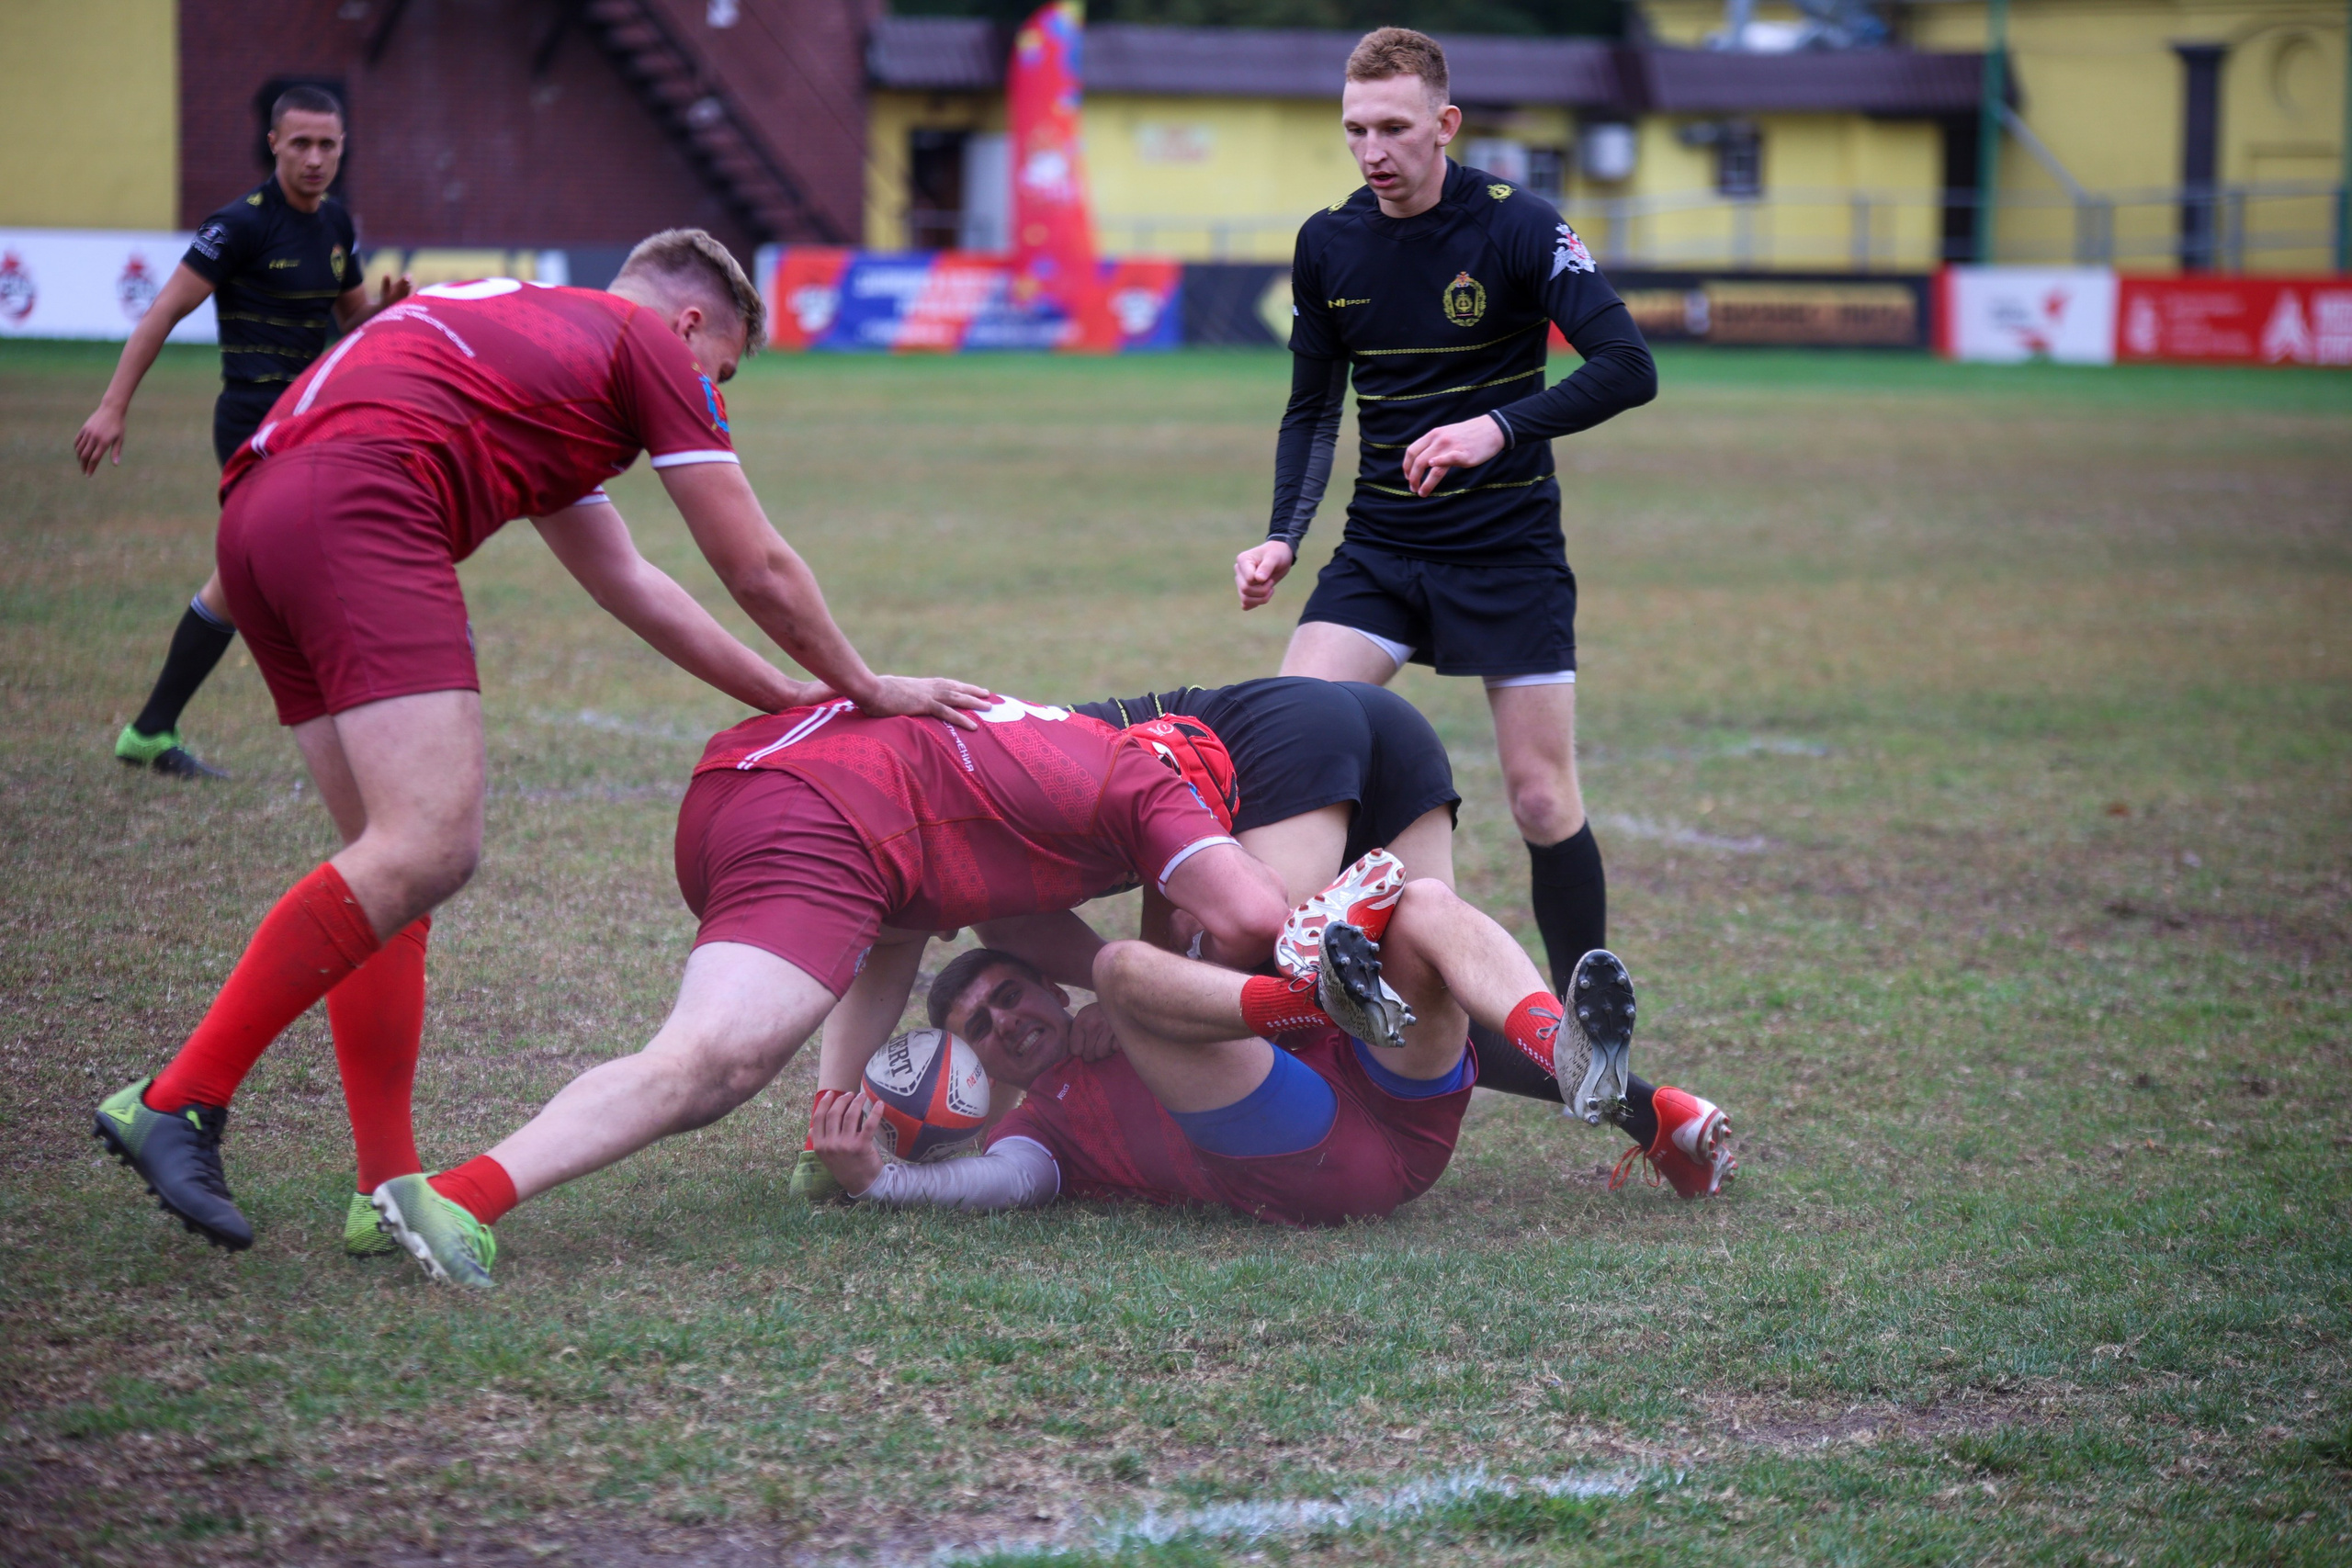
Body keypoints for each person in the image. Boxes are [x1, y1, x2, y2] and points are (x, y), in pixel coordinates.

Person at [92, 229, 990, 1261]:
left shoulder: (534, 337)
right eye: (722, 372)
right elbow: (756, 567)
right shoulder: (643, 344)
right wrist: (867, 685)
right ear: (690, 323)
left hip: (259, 521)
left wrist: (786, 692)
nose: (713, 393)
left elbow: (629, 579)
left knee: (389, 877)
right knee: (431, 846)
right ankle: (180, 1099)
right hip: (365, 506)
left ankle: (387, 1186)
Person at [365, 694, 1298, 1287]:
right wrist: (1160, 977)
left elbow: (948, 926)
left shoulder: (1058, 748)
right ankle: (460, 1197)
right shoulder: (1147, 781)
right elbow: (1252, 915)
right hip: (823, 820)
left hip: (745, 779)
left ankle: (824, 1133)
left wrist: (838, 1102)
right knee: (711, 1066)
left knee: (900, 912)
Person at [1228, 28, 1657, 1006]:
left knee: (1541, 798)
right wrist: (1284, 535)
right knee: (1294, 747)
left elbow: (1628, 367)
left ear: (1443, 125)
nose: (1371, 150)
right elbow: (1310, 410)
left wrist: (1497, 427)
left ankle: (1579, 1036)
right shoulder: (1327, 242)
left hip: (1507, 550)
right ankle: (1317, 991)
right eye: (1354, 130)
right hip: (1382, 549)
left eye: (1391, 127)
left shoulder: (1516, 224)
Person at [809, 887, 1733, 1223]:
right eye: (978, 1026)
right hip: (1314, 1167)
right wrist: (878, 1183)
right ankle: (1307, 992)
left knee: (1424, 908)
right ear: (984, 1070)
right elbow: (996, 1188)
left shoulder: (1133, 1005)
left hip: (1395, 1103)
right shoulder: (1040, 1130)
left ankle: (1571, 1056)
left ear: (1050, 993)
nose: (1002, 1021)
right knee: (1128, 966)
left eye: (1008, 994)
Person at [1024, 678, 1682, 1136]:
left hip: (1284, 743)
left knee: (1252, 968)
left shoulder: (982, 805)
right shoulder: (995, 768)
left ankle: (1337, 923)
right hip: (1371, 721)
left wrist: (1130, 997)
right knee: (1426, 988)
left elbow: (1160, 853)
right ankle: (1640, 1100)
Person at [75, 85, 413, 779]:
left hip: (305, 422)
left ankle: (149, 731)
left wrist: (383, 311)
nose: (315, 158)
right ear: (274, 144)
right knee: (306, 563)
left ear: (342, 148)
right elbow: (160, 314)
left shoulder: (338, 225)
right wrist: (112, 405)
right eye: (301, 144)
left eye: (328, 145)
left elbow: (352, 326)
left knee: (244, 577)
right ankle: (360, 725)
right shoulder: (239, 225)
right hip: (249, 427)